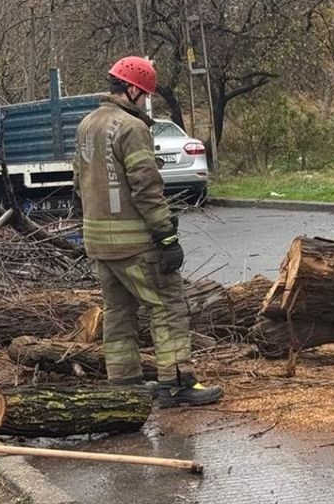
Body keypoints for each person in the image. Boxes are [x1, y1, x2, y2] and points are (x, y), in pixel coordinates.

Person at [73, 56, 222, 407]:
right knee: (168, 305)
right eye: (147, 95)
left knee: (118, 313)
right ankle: (177, 382)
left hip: (98, 242)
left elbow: (78, 183)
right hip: (135, 242)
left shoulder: (86, 124)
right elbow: (146, 187)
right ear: (134, 89)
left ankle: (124, 385)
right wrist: (167, 236)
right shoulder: (130, 128)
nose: (147, 102)